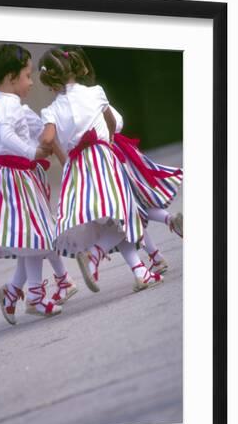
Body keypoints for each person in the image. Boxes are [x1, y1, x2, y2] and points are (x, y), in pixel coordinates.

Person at [0, 61, 77, 319]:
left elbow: (44, 134)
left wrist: (58, 158)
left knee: (33, 237)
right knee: (33, 237)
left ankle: (17, 291)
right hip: (5, 185)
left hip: (27, 178)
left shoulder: (18, 110)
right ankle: (38, 290)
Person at [38, 47, 163, 293]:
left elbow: (48, 138)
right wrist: (110, 140)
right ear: (73, 68)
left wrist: (46, 137)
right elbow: (113, 122)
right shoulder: (95, 92)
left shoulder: (50, 110)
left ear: (49, 80)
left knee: (112, 222)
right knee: (123, 215)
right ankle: (95, 254)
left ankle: (140, 271)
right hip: (103, 160)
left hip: (78, 169)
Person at [62, 46, 183, 275]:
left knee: (128, 210)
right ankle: (160, 244)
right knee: (131, 208)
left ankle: (161, 236)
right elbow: (119, 122)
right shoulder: (93, 94)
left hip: (108, 158)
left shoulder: (85, 99)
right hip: (119, 153)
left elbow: (111, 124)